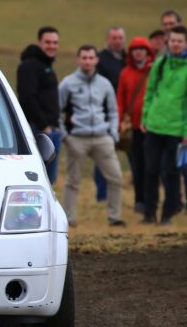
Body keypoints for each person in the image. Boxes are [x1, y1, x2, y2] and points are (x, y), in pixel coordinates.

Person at [141, 26, 187, 225]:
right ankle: (149, 214)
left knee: (171, 173)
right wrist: (145, 117)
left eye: (179, 41)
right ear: (168, 42)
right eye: (173, 41)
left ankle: (168, 214)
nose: (176, 44)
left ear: (186, 43)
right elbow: (150, 91)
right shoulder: (160, 63)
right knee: (150, 171)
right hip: (154, 126)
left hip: (177, 130)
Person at [58, 45, 124, 227]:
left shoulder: (105, 84)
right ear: (78, 60)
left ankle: (115, 218)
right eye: (84, 58)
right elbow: (57, 111)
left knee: (116, 178)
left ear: (96, 60)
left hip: (102, 138)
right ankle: (69, 219)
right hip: (77, 139)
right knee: (73, 181)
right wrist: (65, 136)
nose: (87, 61)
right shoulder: (67, 84)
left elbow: (113, 110)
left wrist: (113, 134)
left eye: (91, 58)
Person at [158, 9, 187, 214]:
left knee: (185, 162)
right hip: (164, 119)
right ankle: (175, 202)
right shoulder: (162, 50)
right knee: (166, 165)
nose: (168, 27)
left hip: (182, 120)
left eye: (172, 23)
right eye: (165, 24)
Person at [16, 26, 61, 183]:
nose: (52, 46)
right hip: (39, 130)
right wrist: (44, 125)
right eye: (47, 42)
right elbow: (27, 98)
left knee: (50, 180)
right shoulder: (29, 65)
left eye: (55, 42)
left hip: (51, 129)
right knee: (39, 180)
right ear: (39, 42)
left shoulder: (46, 65)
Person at [117, 37, 155, 214]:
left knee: (152, 165)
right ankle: (140, 200)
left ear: (148, 52)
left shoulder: (155, 71)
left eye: (142, 49)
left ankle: (152, 200)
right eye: (135, 49)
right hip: (133, 128)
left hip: (152, 127)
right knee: (137, 165)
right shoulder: (125, 73)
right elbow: (120, 99)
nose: (138, 52)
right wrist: (119, 122)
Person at [94, 26, 127, 202]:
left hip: (127, 115)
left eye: (120, 38)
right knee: (104, 153)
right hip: (107, 114)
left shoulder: (128, 58)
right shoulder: (101, 60)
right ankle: (102, 194)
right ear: (107, 40)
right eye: (114, 38)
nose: (117, 41)